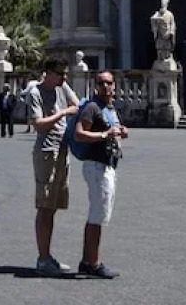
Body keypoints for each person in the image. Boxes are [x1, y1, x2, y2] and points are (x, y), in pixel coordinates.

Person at [25, 57, 80, 277]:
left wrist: (65, 89)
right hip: (46, 151)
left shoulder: (61, 87)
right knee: (44, 205)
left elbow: (77, 104)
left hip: (62, 149)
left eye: (65, 74)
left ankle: (48, 256)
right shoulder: (35, 93)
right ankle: (43, 258)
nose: (64, 77)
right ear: (47, 72)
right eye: (60, 73)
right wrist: (62, 114)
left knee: (55, 204)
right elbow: (38, 125)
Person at [72, 71, 128, 279]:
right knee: (98, 215)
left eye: (109, 83)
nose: (105, 86)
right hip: (97, 166)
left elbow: (110, 131)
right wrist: (105, 134)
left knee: (98, 214)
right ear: (95, 86)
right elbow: (79, 133)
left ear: (115, 85)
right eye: (101, 83)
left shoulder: (109, 108)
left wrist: (120, 131)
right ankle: (93, 263)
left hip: (107, 165)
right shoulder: (92, 107)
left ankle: (88, 260)